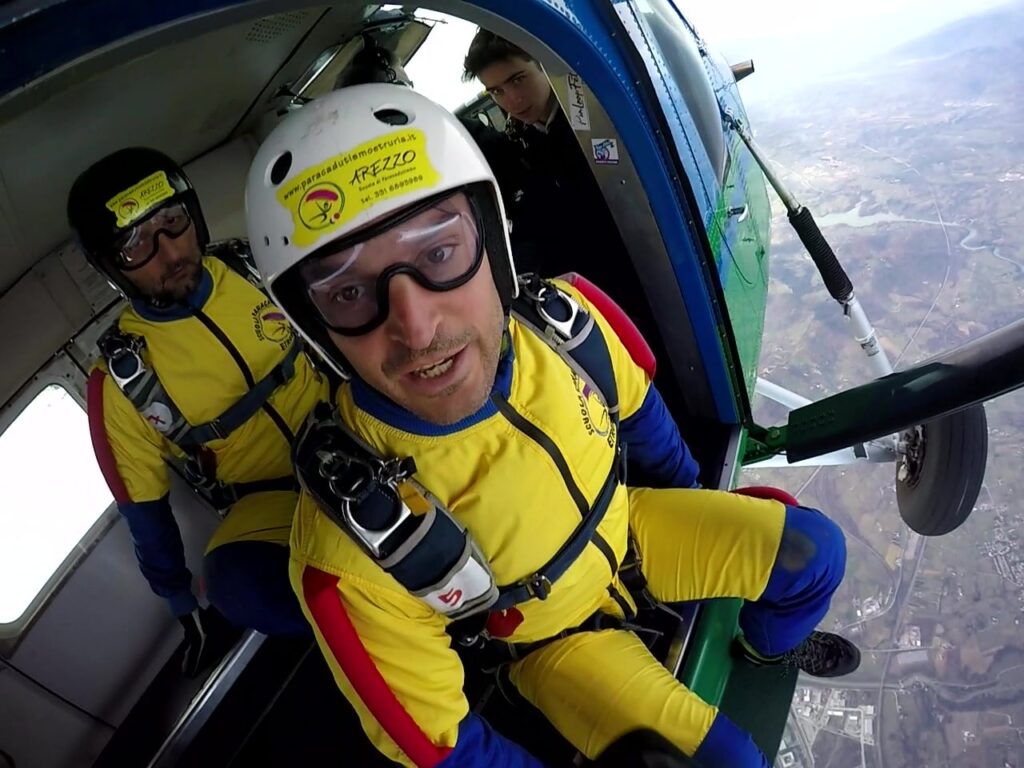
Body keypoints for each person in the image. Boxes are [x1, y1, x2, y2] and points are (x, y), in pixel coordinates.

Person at [244, 85, 860, 767]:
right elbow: (445, 748)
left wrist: (700, 507)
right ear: (317, 328)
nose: (417, 328)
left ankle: (760, 648)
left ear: (493, 242)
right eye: (350, 293)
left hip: (633, 529)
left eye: (440, 253)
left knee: (814, 555)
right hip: (552, 641)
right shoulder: (344, 545)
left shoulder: (564, 324)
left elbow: (645, 420)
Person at [68, 148, 329, 675]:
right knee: (236, 582)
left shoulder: (255, 268)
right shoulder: (122, 382)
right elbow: (145, 513)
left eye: (172, 222)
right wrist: (182, 604)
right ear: (111, 268)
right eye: (135, 245)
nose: (170, 253)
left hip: (356, 429)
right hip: (269, 498)